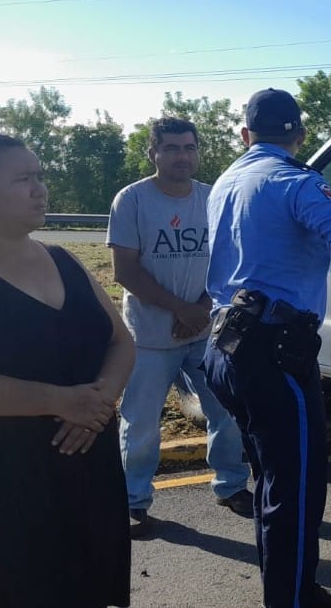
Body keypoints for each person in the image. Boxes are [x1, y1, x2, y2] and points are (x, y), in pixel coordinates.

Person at [202, 89, 331, 608]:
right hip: (272, 352)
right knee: (295, 491)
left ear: (245, 134)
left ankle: (291, 589)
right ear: (298, 135)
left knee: (272, 481)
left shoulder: (226, 181)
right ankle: (293, 600)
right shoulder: (295, 180)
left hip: (224, 346)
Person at [0, 133, 134, 607]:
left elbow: (121, 341)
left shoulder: (63, 259)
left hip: (88, 473)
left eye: (40, 176)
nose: (40, 189)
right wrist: (59, 401)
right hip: (13, 486)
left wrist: (100, 402)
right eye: (22, 179)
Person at [108, 117, 253, 537]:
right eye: (171, 148)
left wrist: (201, 309)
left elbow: (230, 263)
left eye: (189, 147)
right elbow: (124, 271)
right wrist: (180, 309)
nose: (182, 156)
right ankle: (133, 502)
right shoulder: (132, 200)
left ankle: (230, 486)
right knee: (141, 424)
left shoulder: (212, 197)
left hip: (207, 331)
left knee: (226, 411)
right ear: (153, 153)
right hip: (150, 337)